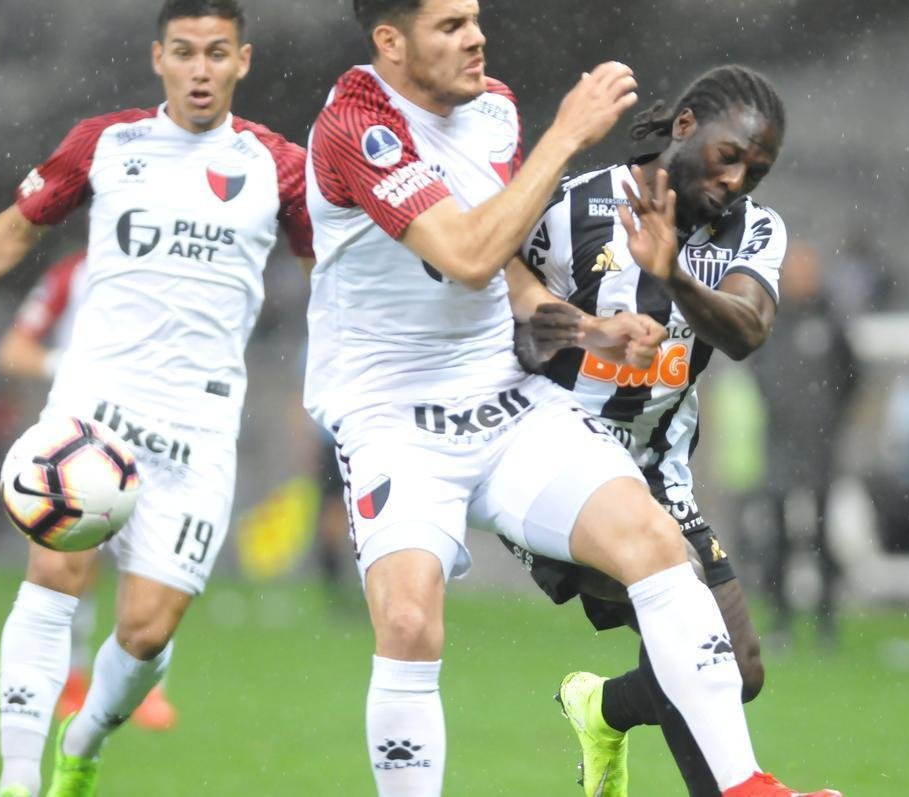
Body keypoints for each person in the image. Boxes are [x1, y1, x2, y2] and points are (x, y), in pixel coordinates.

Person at [305, 3, 835, 796]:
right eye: (450, 24)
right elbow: (469, 256)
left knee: (669, 561)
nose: (476, 36)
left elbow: (511, 282)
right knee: (411, 622)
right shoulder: (359, 123)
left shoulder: (493, 113)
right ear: (391, 40)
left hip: (510, 405)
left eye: (475, 17)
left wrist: (592, 330)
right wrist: (567, 136)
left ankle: (740, 785)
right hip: (395, 413)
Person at [0, 1, 314, 794]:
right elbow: (14, 231)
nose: (201, 69)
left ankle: (82, 745)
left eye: (218, 53)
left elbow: (332, 275)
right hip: (94, 406)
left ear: (244, 61)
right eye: (186, 52)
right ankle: (17, 779)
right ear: (158, 57)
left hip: (197, 425)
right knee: (54, 576)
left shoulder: (282, 167)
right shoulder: (106, 142)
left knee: (145, 629)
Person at [505, 65, 840, 797]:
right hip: (560, 456)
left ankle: (599, 706)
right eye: (731, 156)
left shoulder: (755, 228)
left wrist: (677, 276)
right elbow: (510, 318)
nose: (740, 180)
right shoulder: (571, 210)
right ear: (685, 127)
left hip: (662, 475)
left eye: (758, 168)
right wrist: (586, 334)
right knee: (688, 634)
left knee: (739, 671)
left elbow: (748, 328)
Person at [0, 250, 179, 731]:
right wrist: (74, 366)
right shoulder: (69, 273)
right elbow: (14, 349)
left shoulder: (172, 265)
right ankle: (72, 680)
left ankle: (144, 688)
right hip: (80, 444)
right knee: (73, 562)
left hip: (159, 433)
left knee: (154, 562)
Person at [746, 241, 858, 652]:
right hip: (779, 445)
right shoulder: (772, 322)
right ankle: (780, 621)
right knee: (775, 536)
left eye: (808, 270)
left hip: (820, 448)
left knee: (822, 537)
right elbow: (757, 372)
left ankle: (826, 623)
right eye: (796, 271)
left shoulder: (831, 322)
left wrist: (826, 419)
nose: (802, 278)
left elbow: (851, 376)